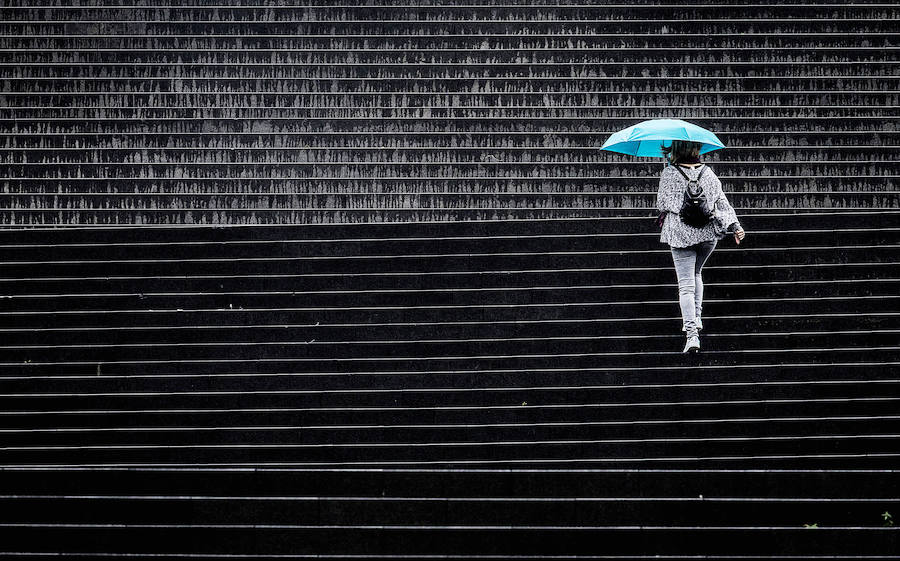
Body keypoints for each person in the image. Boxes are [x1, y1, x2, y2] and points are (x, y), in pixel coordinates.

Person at [656, 140, 746, 353]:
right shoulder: (709, 173)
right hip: (708, 234)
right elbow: (721, 203)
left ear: (675, 151)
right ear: (696, 150)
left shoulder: (669, 173)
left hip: (681, 235)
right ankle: (697, 317)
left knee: (685, 284)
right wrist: (735, 225)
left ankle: (691, 335)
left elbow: (663, 203)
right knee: (697, 273)